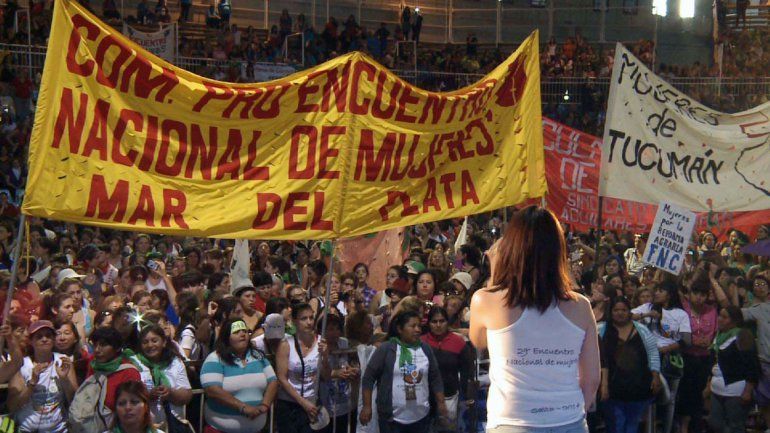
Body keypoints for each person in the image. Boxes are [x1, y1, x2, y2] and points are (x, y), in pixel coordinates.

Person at [469, 206, 600, 432]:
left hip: (511, 422)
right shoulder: (581, 307)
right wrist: (573, 414)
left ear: (509, 248)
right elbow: (591, 379)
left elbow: (480, 342)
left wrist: (495, 274)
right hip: (568, 420)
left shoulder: (485, 300)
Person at [360, 310, 449, 432]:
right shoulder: (386, 349)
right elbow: (368, 378)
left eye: (419, 326)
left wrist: (441, 402)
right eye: (412, 326)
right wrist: (367, 406)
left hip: (421, 418)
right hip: (392, 421)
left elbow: (435, 377)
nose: (417, 330)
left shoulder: (425, 349)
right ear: (400, 329)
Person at [200, 318, 279, 433]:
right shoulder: (215, 359)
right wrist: (243, 407)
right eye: (237, 332)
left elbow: (273, 381)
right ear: (227, 337)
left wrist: (264, 405)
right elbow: (212, 390)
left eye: (245, 331)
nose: (242, 334)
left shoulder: (258, 356)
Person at [632, 281, 691, 433]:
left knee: (669, 399)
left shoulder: (681, 314)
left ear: (670, 294)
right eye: (656, 290)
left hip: (670, 359)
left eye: (661, 291)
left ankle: (667, 429)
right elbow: (627, 315)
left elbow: (686, 340)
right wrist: (646, 315)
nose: (656, 293)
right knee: (648, 397)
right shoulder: (648, 307)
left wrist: (667, 348)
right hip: (650, 359)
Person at [598, 297, 661, 433]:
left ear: (629, 311)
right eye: (616, 310)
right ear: (611, 311)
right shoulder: (601, 330)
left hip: (638, 387)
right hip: (612, 389)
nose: (620, 313)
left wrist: (655, 375)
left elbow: (653, 353)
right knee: (616, 425)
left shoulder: (642, 330)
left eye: (624, 310)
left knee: (632, 424)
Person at [8, 320, 78, 433]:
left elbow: (74, 401)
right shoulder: (22, 365)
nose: (44, 339)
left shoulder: (63, 361)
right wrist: (32, 383)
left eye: (48, 336)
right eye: (39, 337)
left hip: (59, 430)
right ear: (31, 341)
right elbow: (12, 405)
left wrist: (64, 379)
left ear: (54, 339)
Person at [275, 302, 331, 433]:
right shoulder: (286, 345)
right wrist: (302, 402)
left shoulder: (321, 342)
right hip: (291, 405)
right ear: (294, 321)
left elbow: (327, 375)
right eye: (304, 318)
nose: (309, 322)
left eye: (311, 318)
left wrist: (326, 357)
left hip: (312, 401)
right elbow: (282, 378)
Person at [421, 306, 474, 432]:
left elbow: (467, 372)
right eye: (434, 321)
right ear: (428, 323)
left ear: (447, 322)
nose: (438, 325)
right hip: (424, 398)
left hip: (449, 397)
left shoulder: (458, 342)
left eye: (442, 321)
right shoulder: (420, 343)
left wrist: (466, 396)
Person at [706, 306, 759, 433]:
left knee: (735, 426)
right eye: (720, 316)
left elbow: (752, 364)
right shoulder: (718, 336)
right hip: (716, 389)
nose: (720, 319)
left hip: (736, 390)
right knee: (715, 423)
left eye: (724, 317)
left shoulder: (743, 335)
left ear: (734, 320)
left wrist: (748, 390)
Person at [135, 324, 192, 425]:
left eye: (154, 340)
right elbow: (130, 398)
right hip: (146, 426)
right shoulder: (135, 364)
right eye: (145, 342)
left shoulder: (175, 362)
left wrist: (170, 393)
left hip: (174, 424)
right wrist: (148, 396)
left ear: (164, 342)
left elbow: (187, 395)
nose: (150, 345)